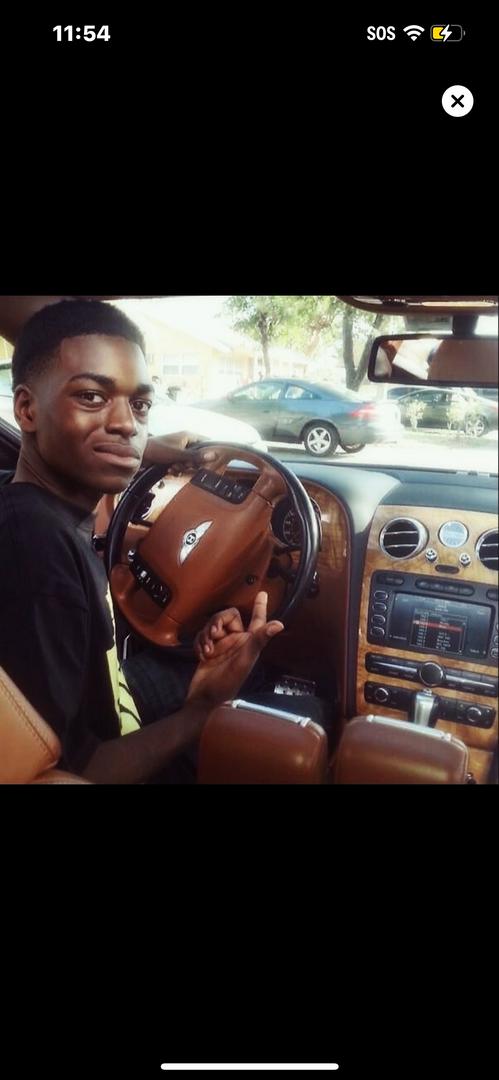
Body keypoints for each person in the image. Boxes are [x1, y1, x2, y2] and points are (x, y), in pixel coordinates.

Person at [0, 299, 283, 783]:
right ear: (26, 409)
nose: (127, 424)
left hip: (110, 694)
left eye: (140, 405)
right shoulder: (37, 553)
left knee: (236, 665)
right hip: (108, 755)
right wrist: (202, 709)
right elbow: (72, 771)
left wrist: (159, 452)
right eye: (92, 397)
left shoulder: (33, 507)